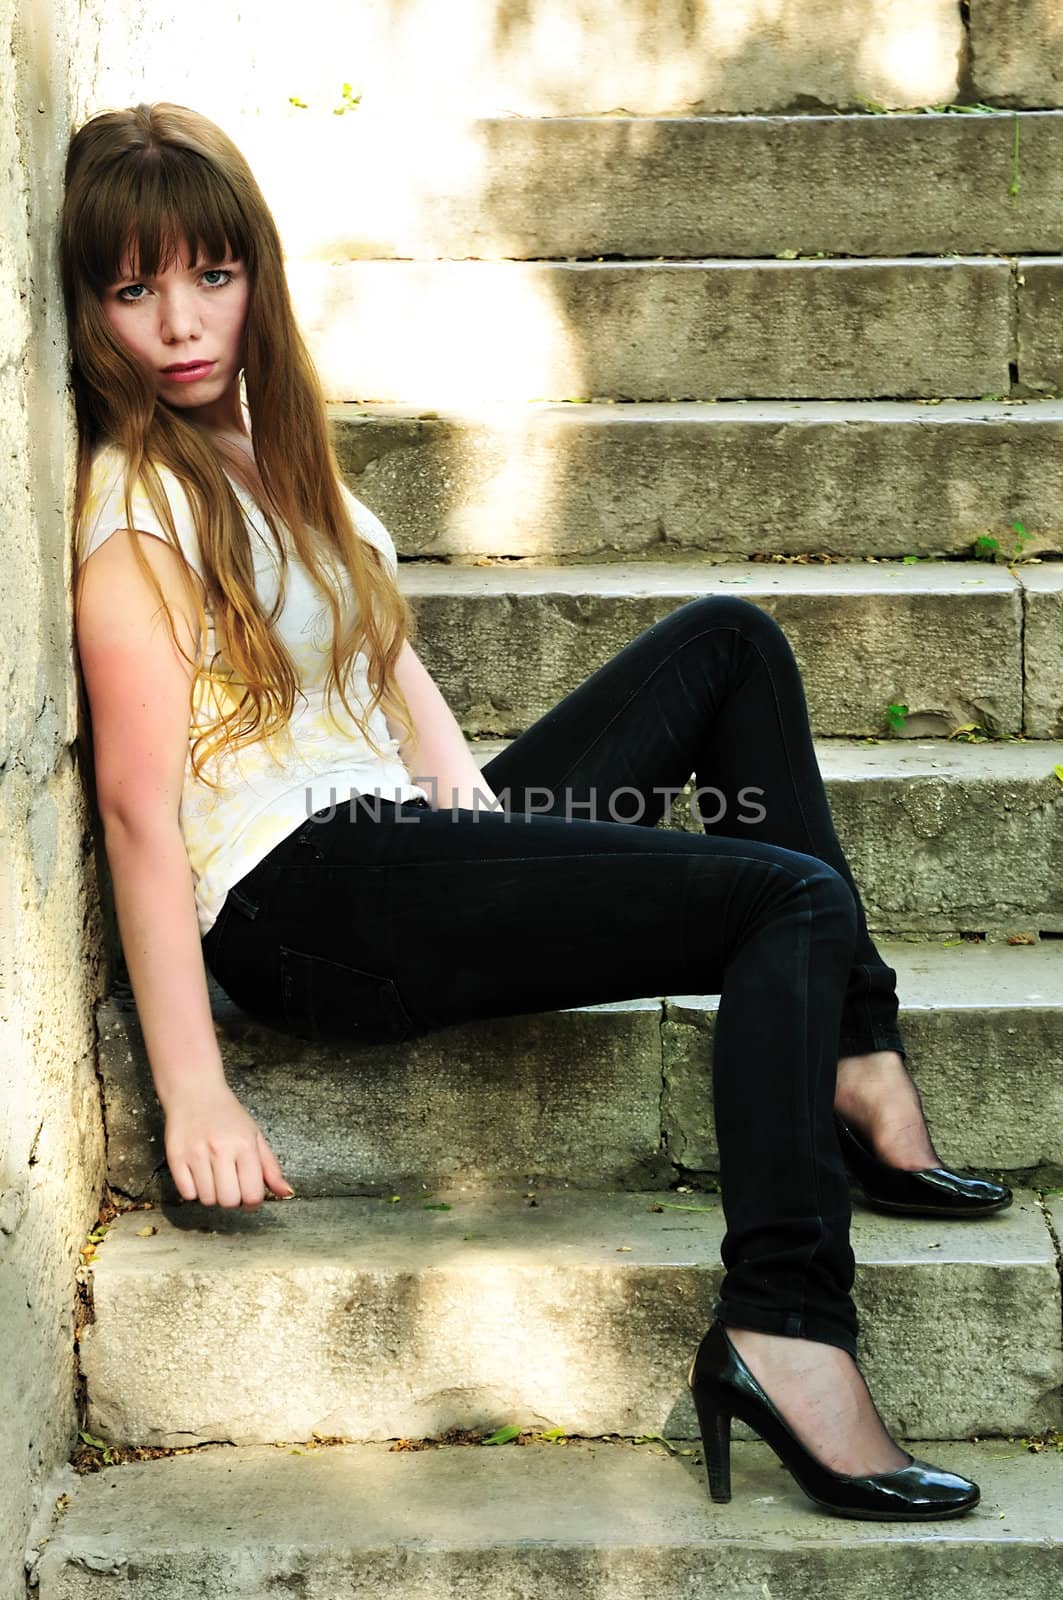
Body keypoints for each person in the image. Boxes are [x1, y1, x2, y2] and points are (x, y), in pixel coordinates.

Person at [63, 102, 1008, 1522]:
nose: (181, 323)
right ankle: (788, 1327)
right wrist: (191, 1085)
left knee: (729, 642)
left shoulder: (272, 448)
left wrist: (493, 834)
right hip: (303, 899)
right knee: (785, 898)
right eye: (134, 290)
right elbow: (141, 818)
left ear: (257, 274)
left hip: (403, 848)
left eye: (211, 275)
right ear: (89, 311)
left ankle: (855, 1053)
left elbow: (389, 668)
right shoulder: (138, 511)